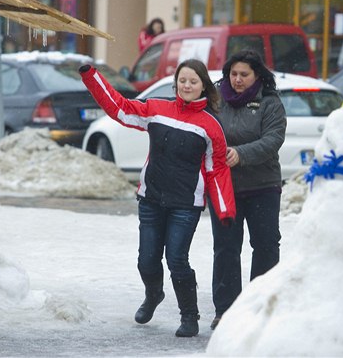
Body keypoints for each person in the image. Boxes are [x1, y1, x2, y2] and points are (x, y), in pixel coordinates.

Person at [79, 59, 236, 337]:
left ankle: (189, 316)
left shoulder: (210, 125)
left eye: (193, 81)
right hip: (151, 198)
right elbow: (120, 109)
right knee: (147, 260)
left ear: (203, 86)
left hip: (186, 204)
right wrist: (92, 76)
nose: (186, 86)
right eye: (182, 80)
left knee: (177, 259)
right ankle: (154, 295)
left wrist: (224, 209)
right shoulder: (157, 108)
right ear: (176, 82)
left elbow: (217, 169)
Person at [208, 49, 287, 330]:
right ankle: (225, 311)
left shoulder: (270, 102)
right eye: (234, 74)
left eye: (244, 75)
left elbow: (273, 139)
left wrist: (240, 154)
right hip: (224, 187)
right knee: (226, 248)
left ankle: (261, 307)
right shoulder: (215, 100)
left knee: (265, 246)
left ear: (257, 76)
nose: (238, 80)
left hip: (262, 186)